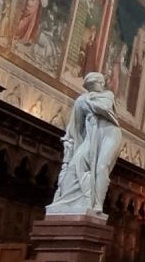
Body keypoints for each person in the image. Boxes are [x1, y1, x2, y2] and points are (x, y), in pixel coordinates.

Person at [47, 73, 125, 216]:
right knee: (75, 164)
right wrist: (70, 144)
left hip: (110, 133)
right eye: (97, 83)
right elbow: (75, 126)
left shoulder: (108, 95)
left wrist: (87, 102)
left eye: (98, 83)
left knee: (102, 167)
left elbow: (105, 108)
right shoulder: (81, 100)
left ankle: (97, 205)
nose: (99, 85)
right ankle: (68, 201)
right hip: (91, 135)